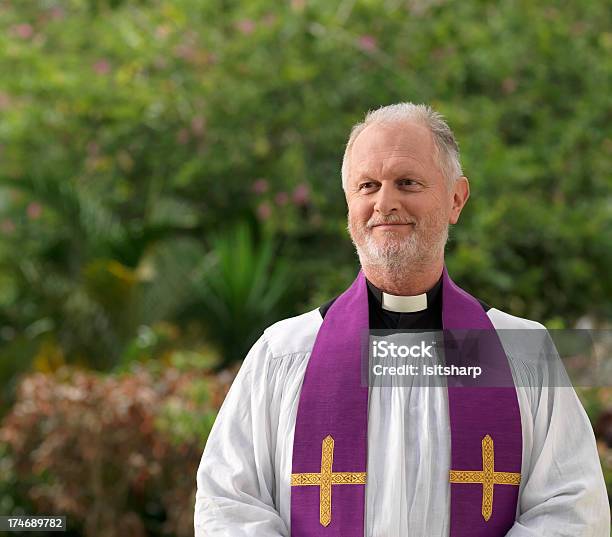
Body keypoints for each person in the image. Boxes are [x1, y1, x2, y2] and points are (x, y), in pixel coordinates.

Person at [194, 103, 610, 536]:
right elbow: (229, 504)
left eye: (407, 183)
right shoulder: (285, 353)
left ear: (455, 199)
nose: (384, 203)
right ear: (349, 202)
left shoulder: (518, 352)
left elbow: (572, 510)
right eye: (367, 185)